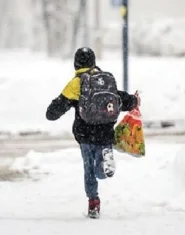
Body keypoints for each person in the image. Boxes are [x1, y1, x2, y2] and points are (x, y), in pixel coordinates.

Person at [46, 47, 139, 218]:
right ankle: (105, 162)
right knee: (100, 168)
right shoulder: (105, 80)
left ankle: (93, 203)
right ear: (94, 62)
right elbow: (121, 99)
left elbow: (54, 112)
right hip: (105, 132)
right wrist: (134, 100)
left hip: (85, 134)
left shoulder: (76, 83)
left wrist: (52, 110)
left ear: (76, 64)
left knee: (89, 170)